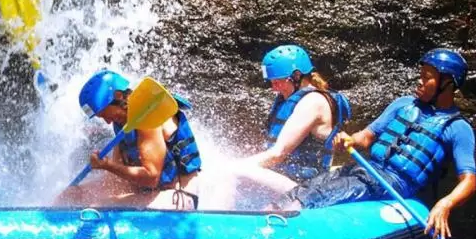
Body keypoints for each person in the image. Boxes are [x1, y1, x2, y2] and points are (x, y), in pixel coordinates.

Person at [275, 48, 476, 239]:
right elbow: (366, 137)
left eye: (427, 77)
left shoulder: (458, 128)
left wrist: (445, 204)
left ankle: (281, 230)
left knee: (319, 194)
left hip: (394, 182)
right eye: (421, 76)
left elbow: (469, 182)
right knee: (303, 189)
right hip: (365, 168)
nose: (420, 82)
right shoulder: (403, 104)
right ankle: (268, 213)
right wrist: (349, 139)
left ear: (447, 83)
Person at [55, 69, 202, 210]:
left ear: (118, 96)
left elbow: (151, 177)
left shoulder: (147, 114)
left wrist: (107, 166)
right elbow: (117, 181)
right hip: (149, 193)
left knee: (100, 209)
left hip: (179, 196)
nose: (107, 121)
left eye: (105, 114)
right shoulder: (121, 121)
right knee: (70, 196)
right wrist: (81, 193)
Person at [227, 45, 351, 200]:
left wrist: (229, 167)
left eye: (278, 82)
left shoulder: (313, 102)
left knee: (232, 172)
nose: (274, 88)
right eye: (271, 83)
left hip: (307, 187)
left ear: (297, 76)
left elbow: (277, 154)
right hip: (287, 179)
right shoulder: (292, 98)